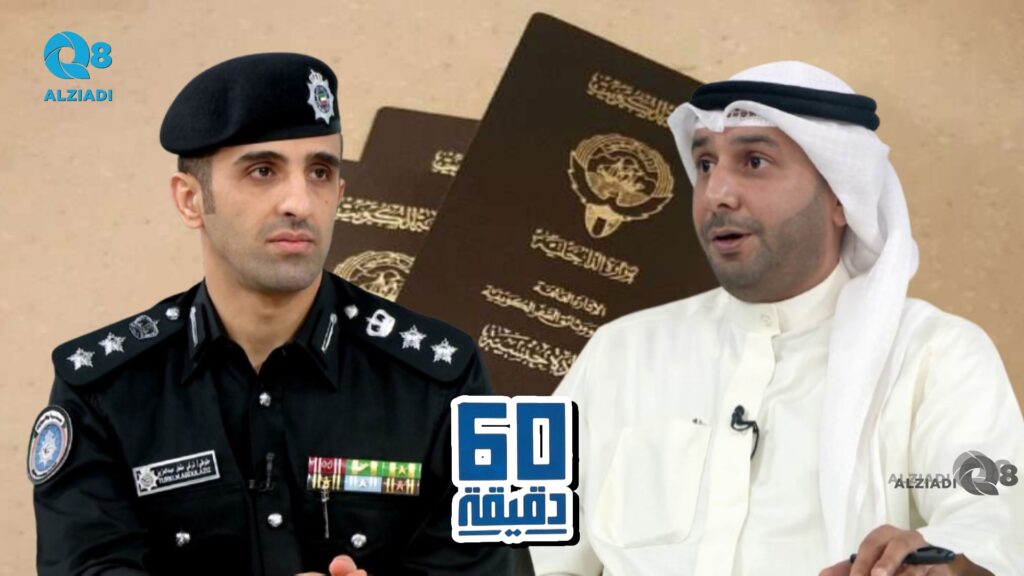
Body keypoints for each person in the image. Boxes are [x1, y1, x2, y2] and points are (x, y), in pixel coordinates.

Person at [529, 61, 1024, 576]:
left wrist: (938, 562)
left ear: (842, 196)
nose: (716, 193)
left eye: (754, 161)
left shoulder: (934, 355)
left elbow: (994, 526)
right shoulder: (621, 352)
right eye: (704, 164)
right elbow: (527, 551)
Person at [29, 52, 510, 576]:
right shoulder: (106, 389)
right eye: (263, 171)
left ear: (340, 194)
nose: (299, 203)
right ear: (191, 200)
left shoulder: (442, 379)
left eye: (320, 172)